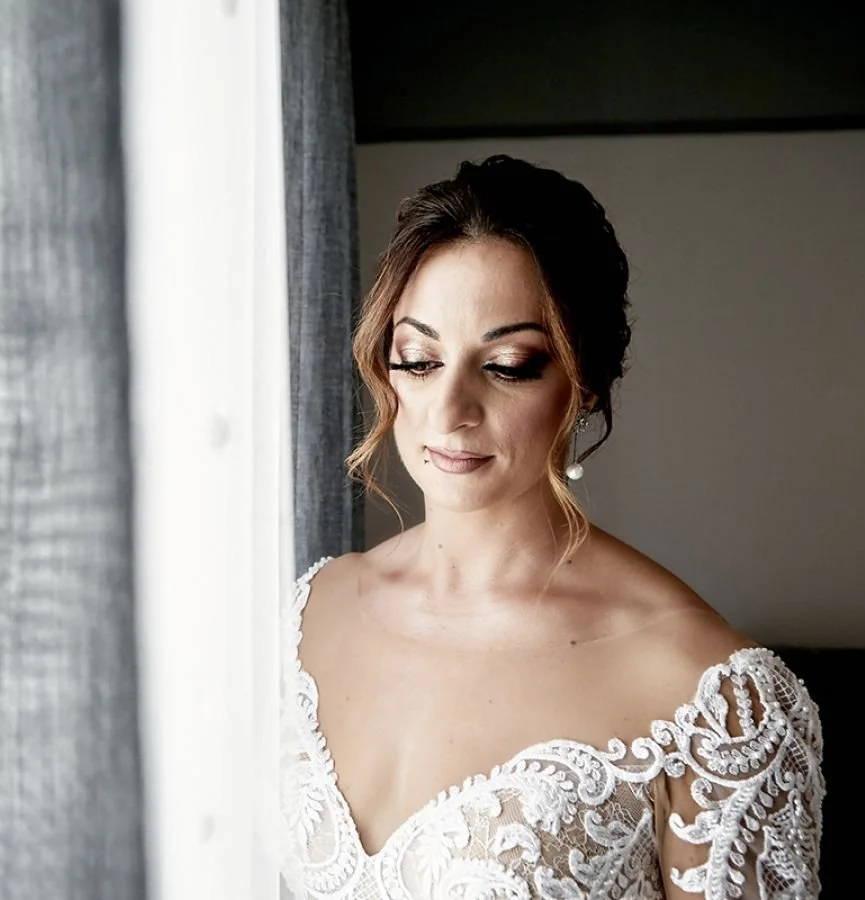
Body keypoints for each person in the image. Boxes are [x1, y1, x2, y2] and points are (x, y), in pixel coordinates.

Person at [280, 155, 824, 899]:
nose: (450, 410)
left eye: (507, 365)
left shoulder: (714, 698)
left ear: (585, 381)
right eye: (418, 358)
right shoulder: (308, 615)